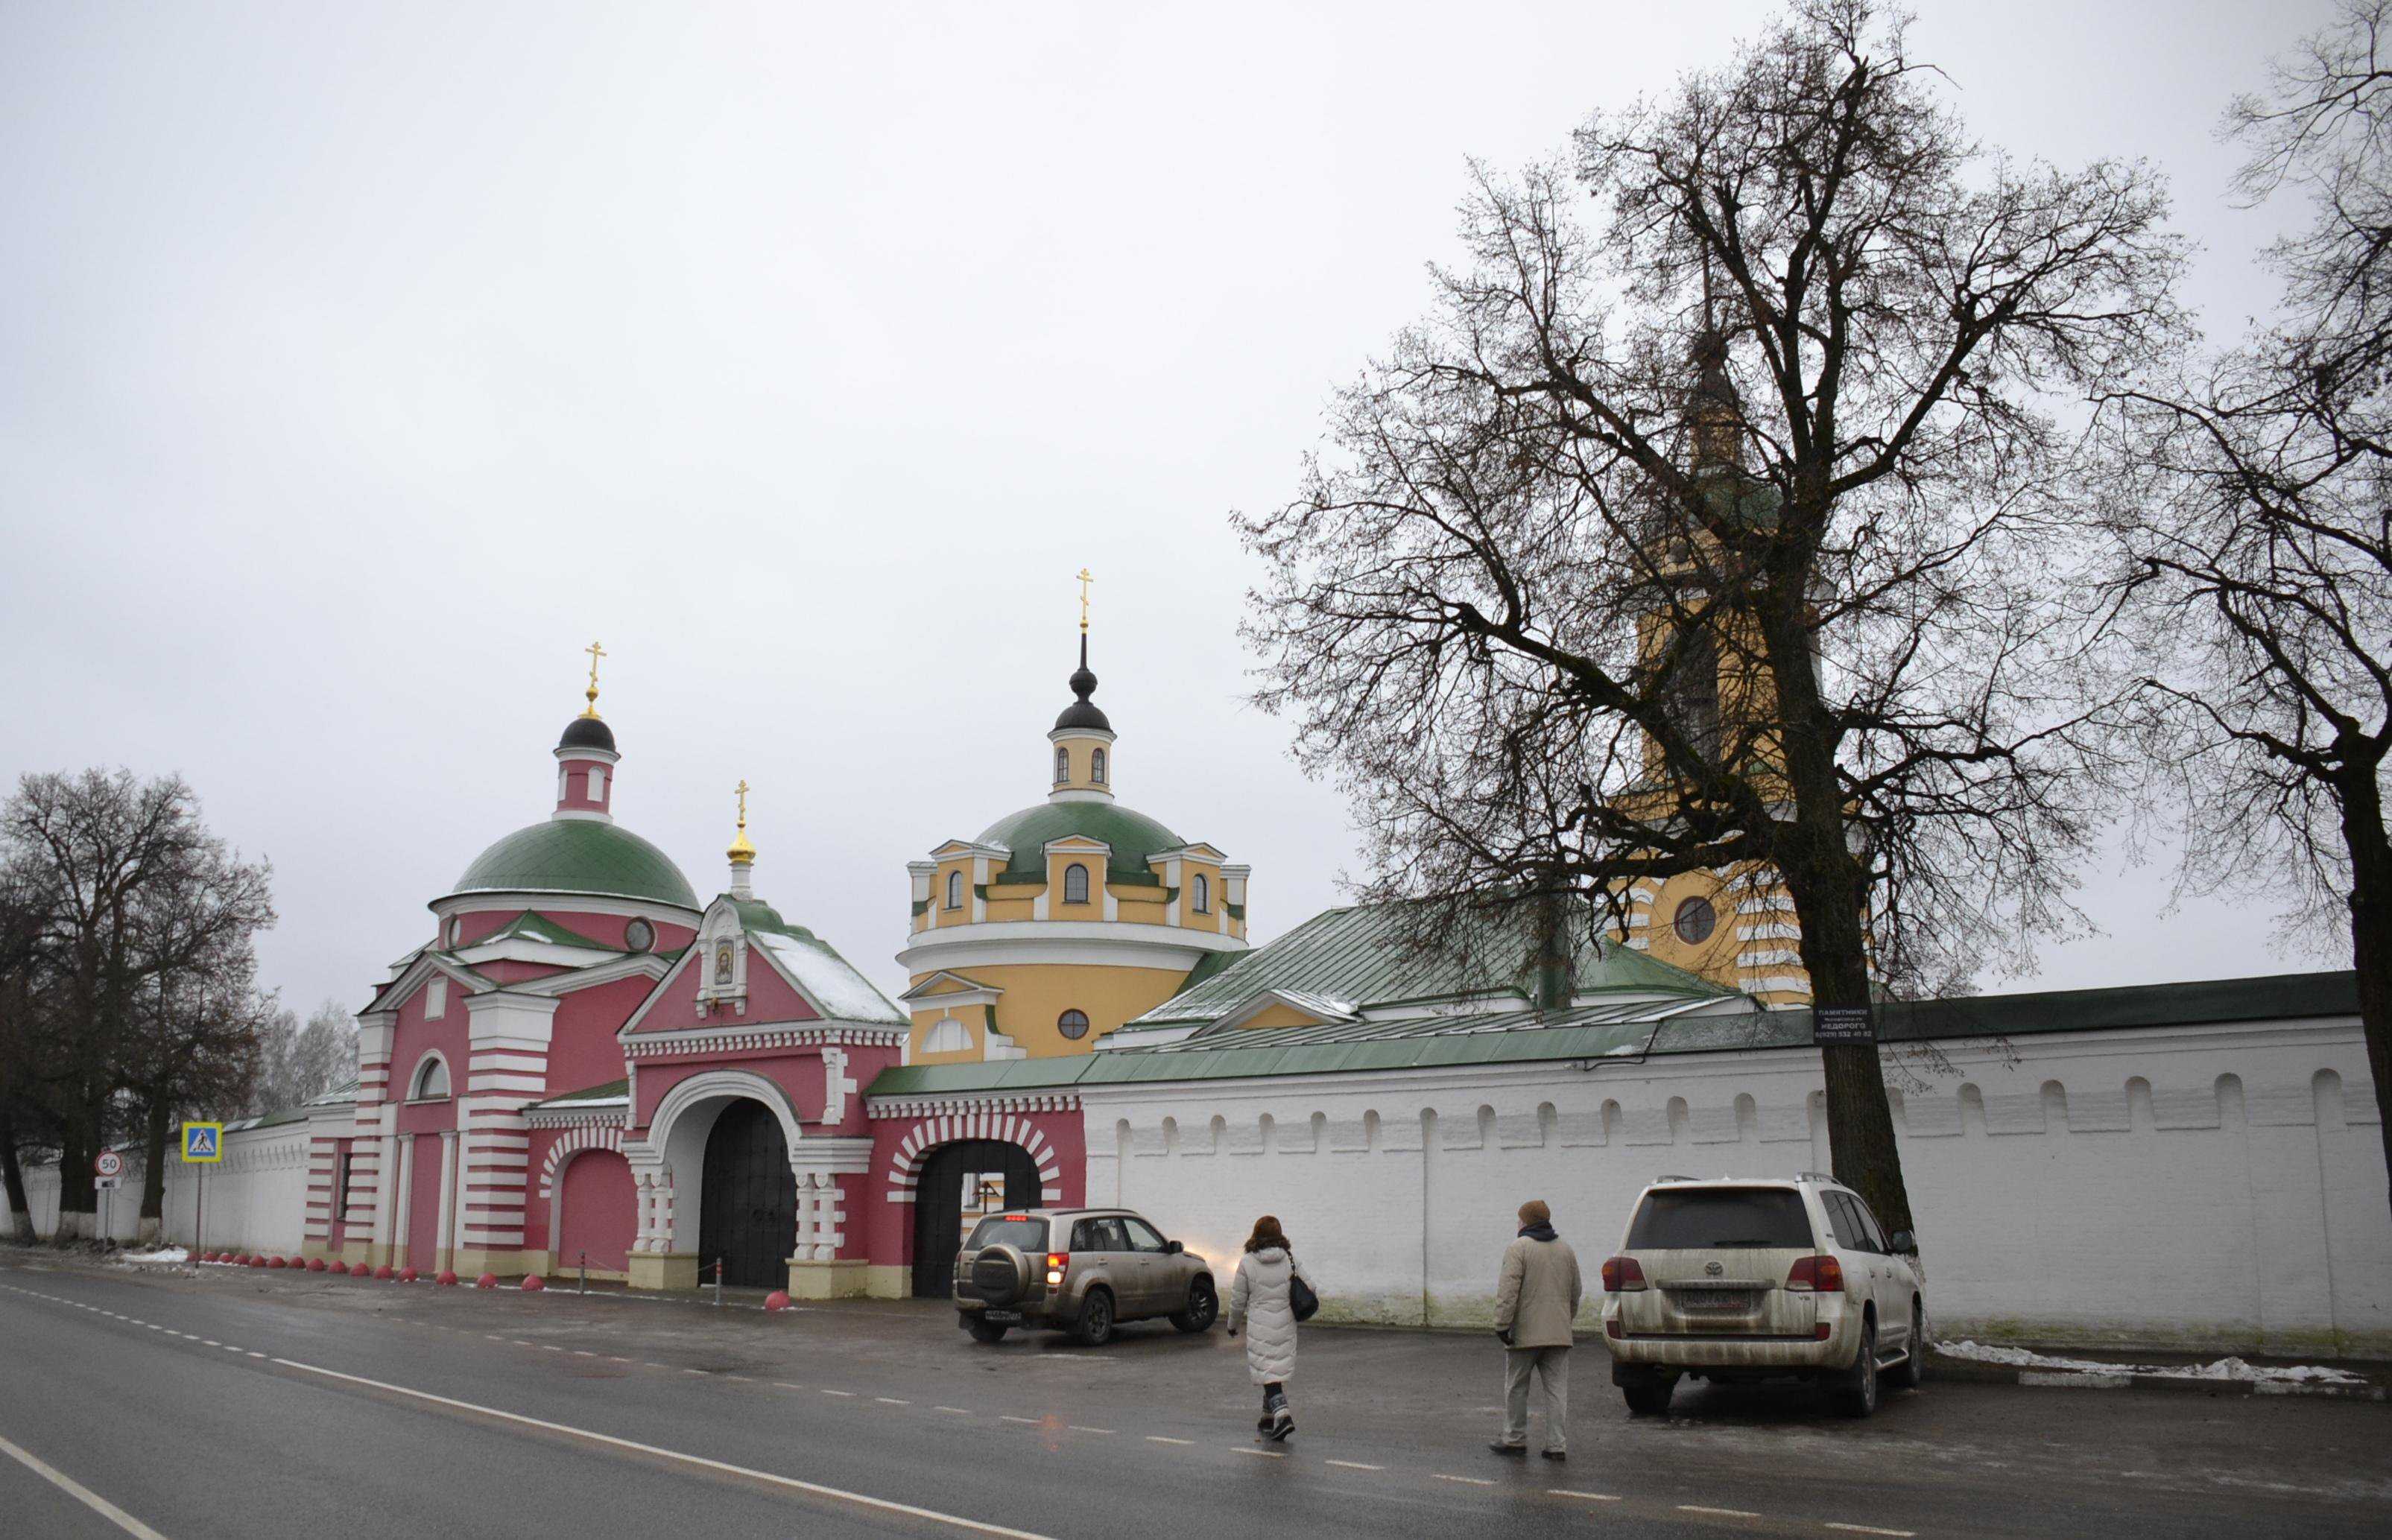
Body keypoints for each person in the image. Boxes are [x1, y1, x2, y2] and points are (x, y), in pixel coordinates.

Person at [1490, 1197, 1581, 1461]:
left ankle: (1515, 1439)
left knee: (1517, 1386)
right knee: (1556, 1391)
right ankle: (1556, 1446)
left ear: (1526, 1221)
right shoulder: (1566, 1249)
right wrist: (1566, 1320)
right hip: (1559, 1333)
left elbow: (1508, 1291)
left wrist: (1502, 1324)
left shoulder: (1519, 1248)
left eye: (1520, 1219)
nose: (1517, 1223)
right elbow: (1576, 1292)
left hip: (1525, 1334)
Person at [1227, 1213, 1307, 1442]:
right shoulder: (1289, 1259)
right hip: (1285, 1323)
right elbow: (1309, 1285)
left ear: (1256, 1234)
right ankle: (1268, 1416)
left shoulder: (1247, 1263)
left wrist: (1232, 1325)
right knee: (1274, 1367)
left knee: (1268, 1368)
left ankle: (1283, 1416)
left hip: (1260, 1326)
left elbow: (1238, 1300)